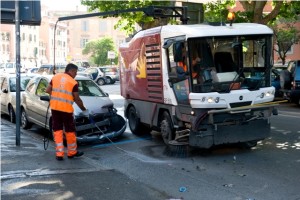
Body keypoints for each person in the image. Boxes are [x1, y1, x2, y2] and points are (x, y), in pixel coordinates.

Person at [46, 63, 88, 161]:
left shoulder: (55, 77)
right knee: (70, 130)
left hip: (55, 108)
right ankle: (72, 152)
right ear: (71, 71)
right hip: (66, 110)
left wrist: (57, 96)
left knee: (57, 130)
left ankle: (59, 154)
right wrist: (84, 110)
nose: (76, 74)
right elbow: (77, 99)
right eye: (75, 72)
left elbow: (48, 90)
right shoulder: (73, 82)